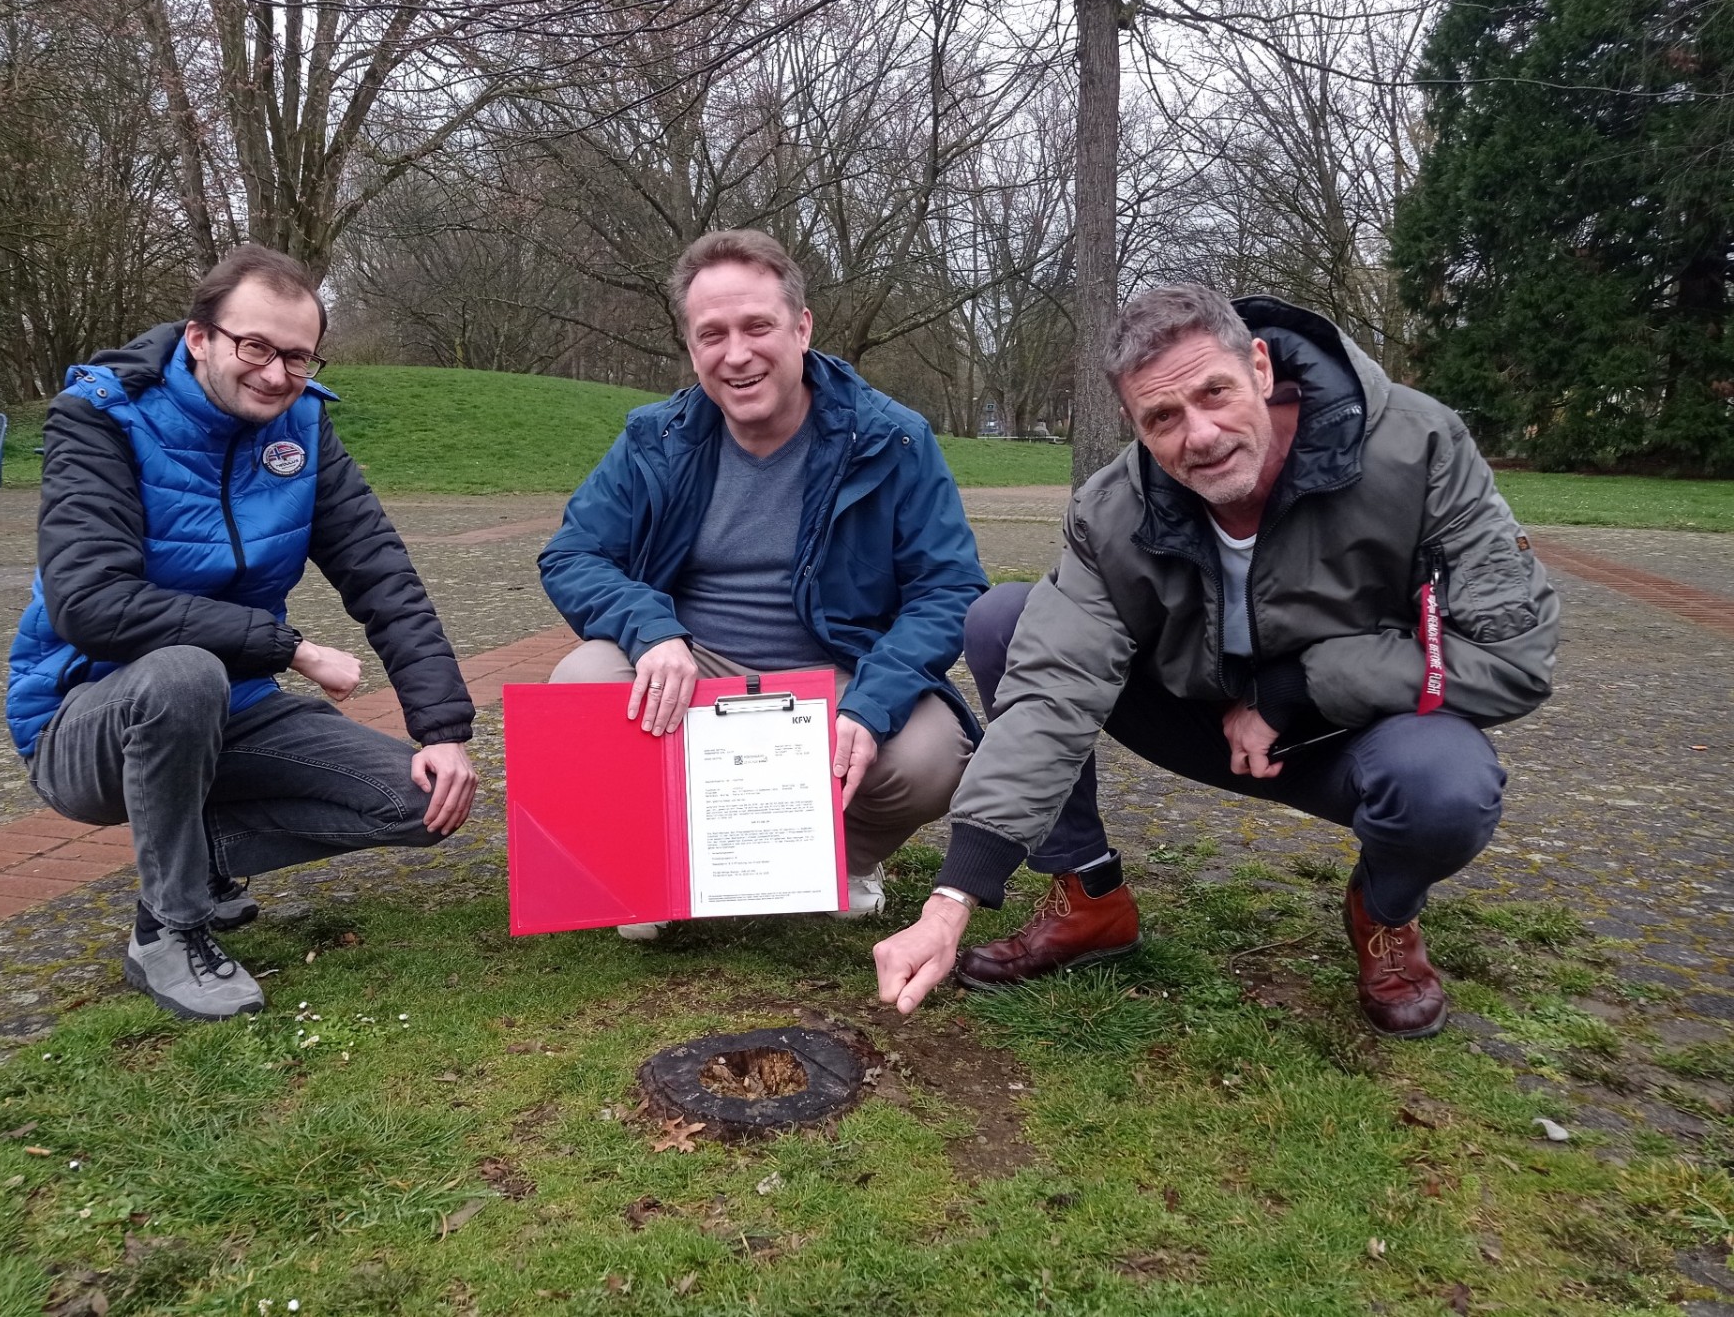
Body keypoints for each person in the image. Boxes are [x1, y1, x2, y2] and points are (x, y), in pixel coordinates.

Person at [873, 285, 1560, 1037]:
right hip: (1197, 720)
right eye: (1163, 417)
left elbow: (1511, 657)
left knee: (1448, 785)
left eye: (1215, 393)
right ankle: (1089, 894)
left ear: (1260, 368)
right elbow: (1053, 693)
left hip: (1363, 736)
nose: (1199, 435)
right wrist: (954, 898)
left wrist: (1296, 689)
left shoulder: (1420, 446)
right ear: (1133, 424)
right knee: (1007, 619)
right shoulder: (1112, 513)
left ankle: (1385, 912)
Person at [6, 245, 478, 1021]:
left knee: (419, 802)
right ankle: (169, 930)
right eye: (254, 347)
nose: (275, 373)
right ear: (200, 337)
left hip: (233, 707)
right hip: (83, 720)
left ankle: (190, 864)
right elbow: (90, 603)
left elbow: (381, 576)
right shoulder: (101, 417)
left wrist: (443, 728)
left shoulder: (304, 430)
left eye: (297, 356)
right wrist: (287, 647)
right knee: (184, 672)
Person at [538, 229, 988, 937]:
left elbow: (949, 587)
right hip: (697, 668)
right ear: (690, 346)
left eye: (758, 326)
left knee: (931, 752)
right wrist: (651, 629)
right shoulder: (654, 439)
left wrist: (872, 703)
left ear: (802, 327)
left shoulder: (891, 438)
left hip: (832, 672)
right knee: (583, 676)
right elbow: (571, 555)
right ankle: (651, 868)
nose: (737, 354)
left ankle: (843, 862)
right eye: (711, 333)